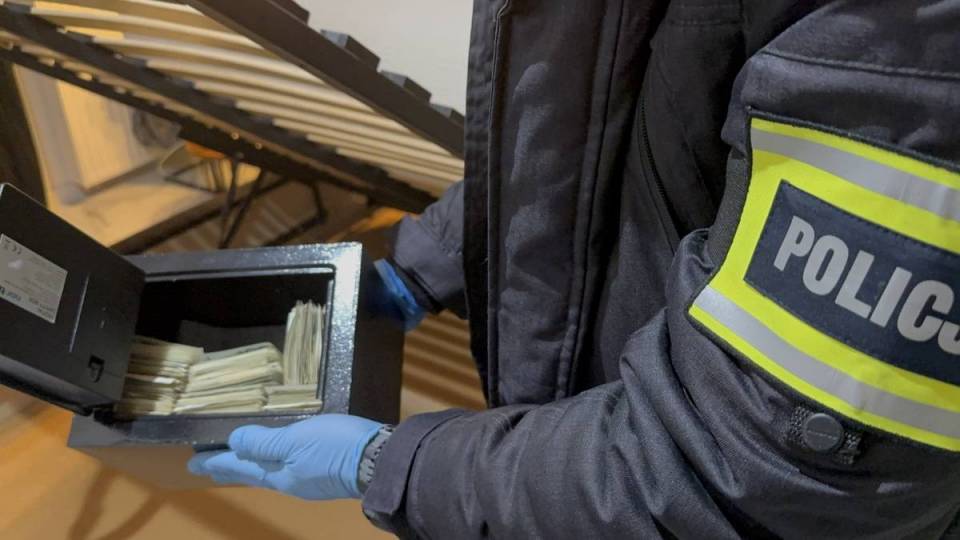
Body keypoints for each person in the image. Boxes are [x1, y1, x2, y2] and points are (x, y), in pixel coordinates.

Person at [188, 1, 960, 537]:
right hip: (589, 425)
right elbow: (574, 117)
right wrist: (421, 267)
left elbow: (757, 480)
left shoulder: (911, 42)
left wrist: (395, 467)